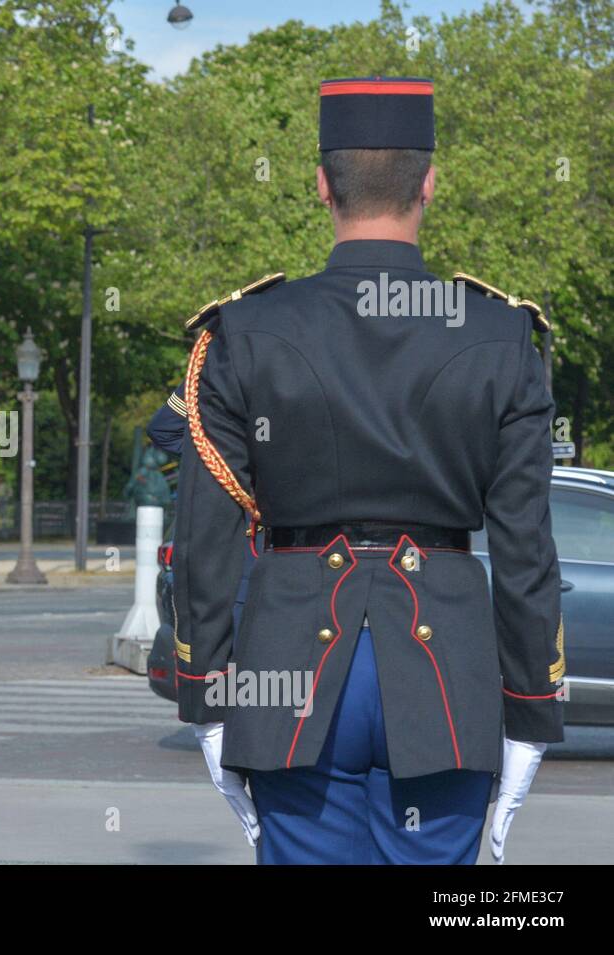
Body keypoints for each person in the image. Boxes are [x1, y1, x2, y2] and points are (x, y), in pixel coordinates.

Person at [170, 77, 564, 864]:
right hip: (444, 677)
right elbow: (525, 555)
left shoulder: (243, 332)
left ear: (322, 186)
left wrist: (208, 699)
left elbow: (206, 543)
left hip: (291, 679)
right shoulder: (501, 335)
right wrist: (530, 713)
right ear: (429, 183)